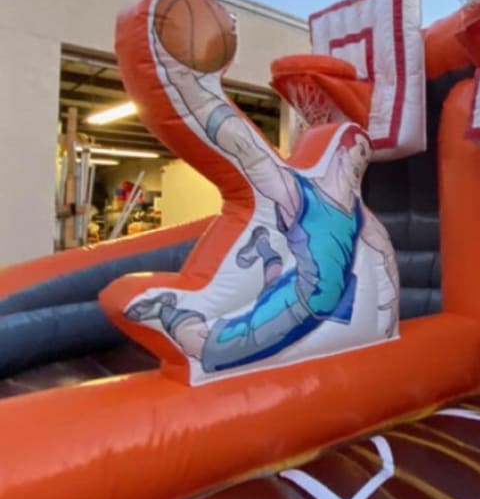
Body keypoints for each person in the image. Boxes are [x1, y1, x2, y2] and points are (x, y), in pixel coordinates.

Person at [125, 33, 399, 373]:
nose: (361, 162)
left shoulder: (357, 212)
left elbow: (383, 250)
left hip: (320, 301)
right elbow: (245, 148)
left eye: (365, 157)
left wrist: (388, 312)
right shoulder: (301, 195)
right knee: (205, 349)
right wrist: (190, 88)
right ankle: (169, 311)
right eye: (357, 152)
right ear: (337, 156)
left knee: (272, 284)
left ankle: (266, 251)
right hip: (300, 304)